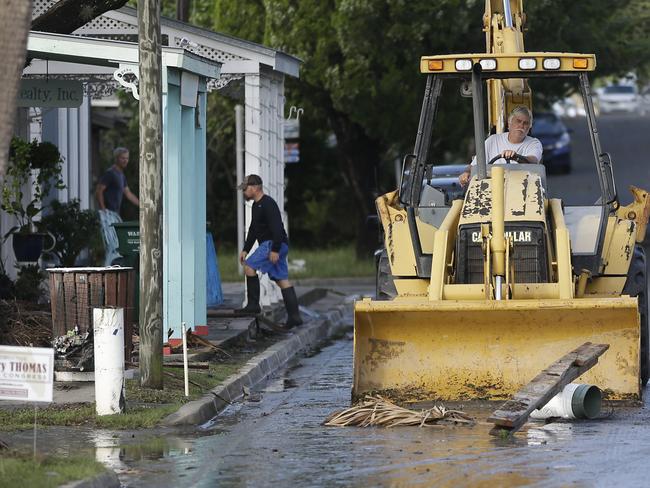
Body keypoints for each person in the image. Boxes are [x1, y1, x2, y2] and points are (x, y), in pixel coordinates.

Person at [236, 174, 303, 328]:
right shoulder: (256, 205)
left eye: (245, 189)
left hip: (273, 244)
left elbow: (278, 228)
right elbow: (253, 230)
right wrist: (246, 249)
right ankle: (295, 317)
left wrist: (274, 249)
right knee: (281, 280)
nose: (244, 192)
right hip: (276, 245)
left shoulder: (268, 204)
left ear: (254, 187)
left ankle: (253, 305)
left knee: (249, 266)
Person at [458, 106, 543, 187]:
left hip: (523, 188)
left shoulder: (534, 143)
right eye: (518, 121)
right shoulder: (492, 140)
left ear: (529, 127)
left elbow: (533, 160)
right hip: (491, 188)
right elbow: (475, 165)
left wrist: (516, 157)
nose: (521, 126)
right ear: (509, 124)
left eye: (526, 123)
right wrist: (466, 172)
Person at [95, 147, 139, 266]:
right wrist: (103, 209)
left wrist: (142, 206)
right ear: (117, 158)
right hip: (107, 214)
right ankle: (108, 269)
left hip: (115, 214)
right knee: (112, 245)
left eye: (127, 158)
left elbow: (128, 194)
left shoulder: (121, 175)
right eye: (122, 158)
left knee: (118, 244)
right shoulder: (111, 173)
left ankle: (112, 269)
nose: (125, 161)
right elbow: (99, 190)